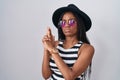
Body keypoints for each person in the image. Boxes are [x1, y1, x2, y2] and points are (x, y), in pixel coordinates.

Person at [42, 4, 94, 80]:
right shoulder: (55, 44)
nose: (66, 25)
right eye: (63, 22)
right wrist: (47, 47)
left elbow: (70, 77)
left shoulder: (87, 49)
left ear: (79, 24)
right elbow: (46, 75)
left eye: (71, 21)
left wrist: (52, 50)